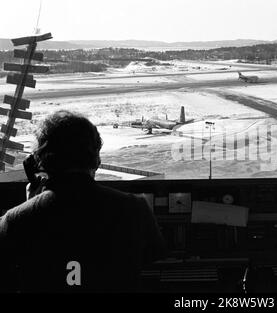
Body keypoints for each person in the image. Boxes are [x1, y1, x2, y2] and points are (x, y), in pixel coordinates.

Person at [0, 110, 166, 292]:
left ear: (40, 160)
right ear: (95, 159)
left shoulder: (16, 221)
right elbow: (152, 255)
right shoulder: (135, 209)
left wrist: (31, 206)